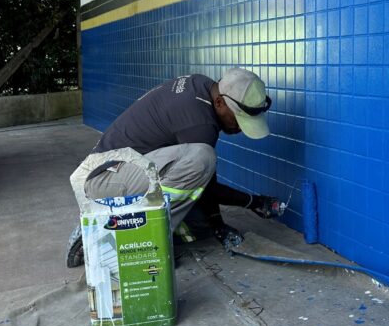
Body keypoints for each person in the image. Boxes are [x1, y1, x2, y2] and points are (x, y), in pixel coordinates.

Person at [66, 68, 282, 267]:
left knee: (198, 225)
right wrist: (253, 202)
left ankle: (122, 222)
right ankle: (128, 239)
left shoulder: (202, 85)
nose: (239, 128)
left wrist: (216, 222)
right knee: (202, 158)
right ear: (219, 103)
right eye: (238, 119)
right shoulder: (200, 125)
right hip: (103, 180)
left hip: (110, 169)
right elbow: (206, 183)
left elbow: (202, 181)